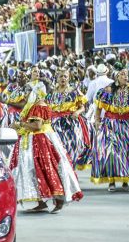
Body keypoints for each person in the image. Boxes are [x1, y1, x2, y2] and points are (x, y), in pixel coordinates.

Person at [10, 82, 83, 214]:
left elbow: (37, 126)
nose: (25, 95)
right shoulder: (34, 105)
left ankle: (59, 199)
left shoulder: (38, 106)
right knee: (34, 170)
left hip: (40, 141)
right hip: (33, 140)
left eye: (28, 92)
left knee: (46, 168)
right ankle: (41, 202)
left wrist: (19, 124)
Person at [91, 64, 129, 191]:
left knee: (128, 152)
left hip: (128, 124)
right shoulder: (108, 90)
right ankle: (112, 181)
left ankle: (125, 182)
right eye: (122, 74)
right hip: (111, 124)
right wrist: (97, 120)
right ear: (116, 76)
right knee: (112, 152)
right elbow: (99, 107)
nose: (125, 76)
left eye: (127, 74)